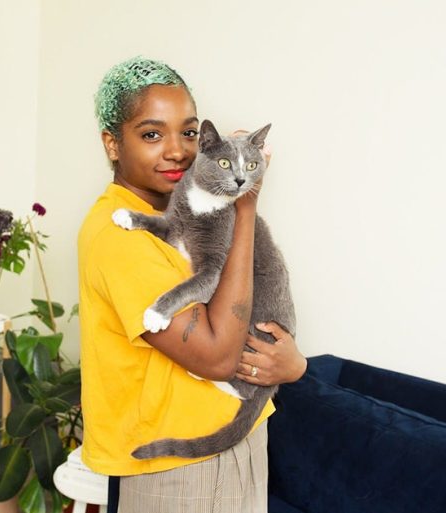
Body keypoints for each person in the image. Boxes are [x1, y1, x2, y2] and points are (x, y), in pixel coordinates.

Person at [77, 56, 307, 513]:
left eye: (188, 133)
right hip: (185, 467)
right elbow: (219, 357)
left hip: (235, 432)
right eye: (151, 134)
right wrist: (245, 204)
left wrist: (294, 365)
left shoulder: (176, 209)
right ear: (112, 144)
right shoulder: (118, 237)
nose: (177, 151)